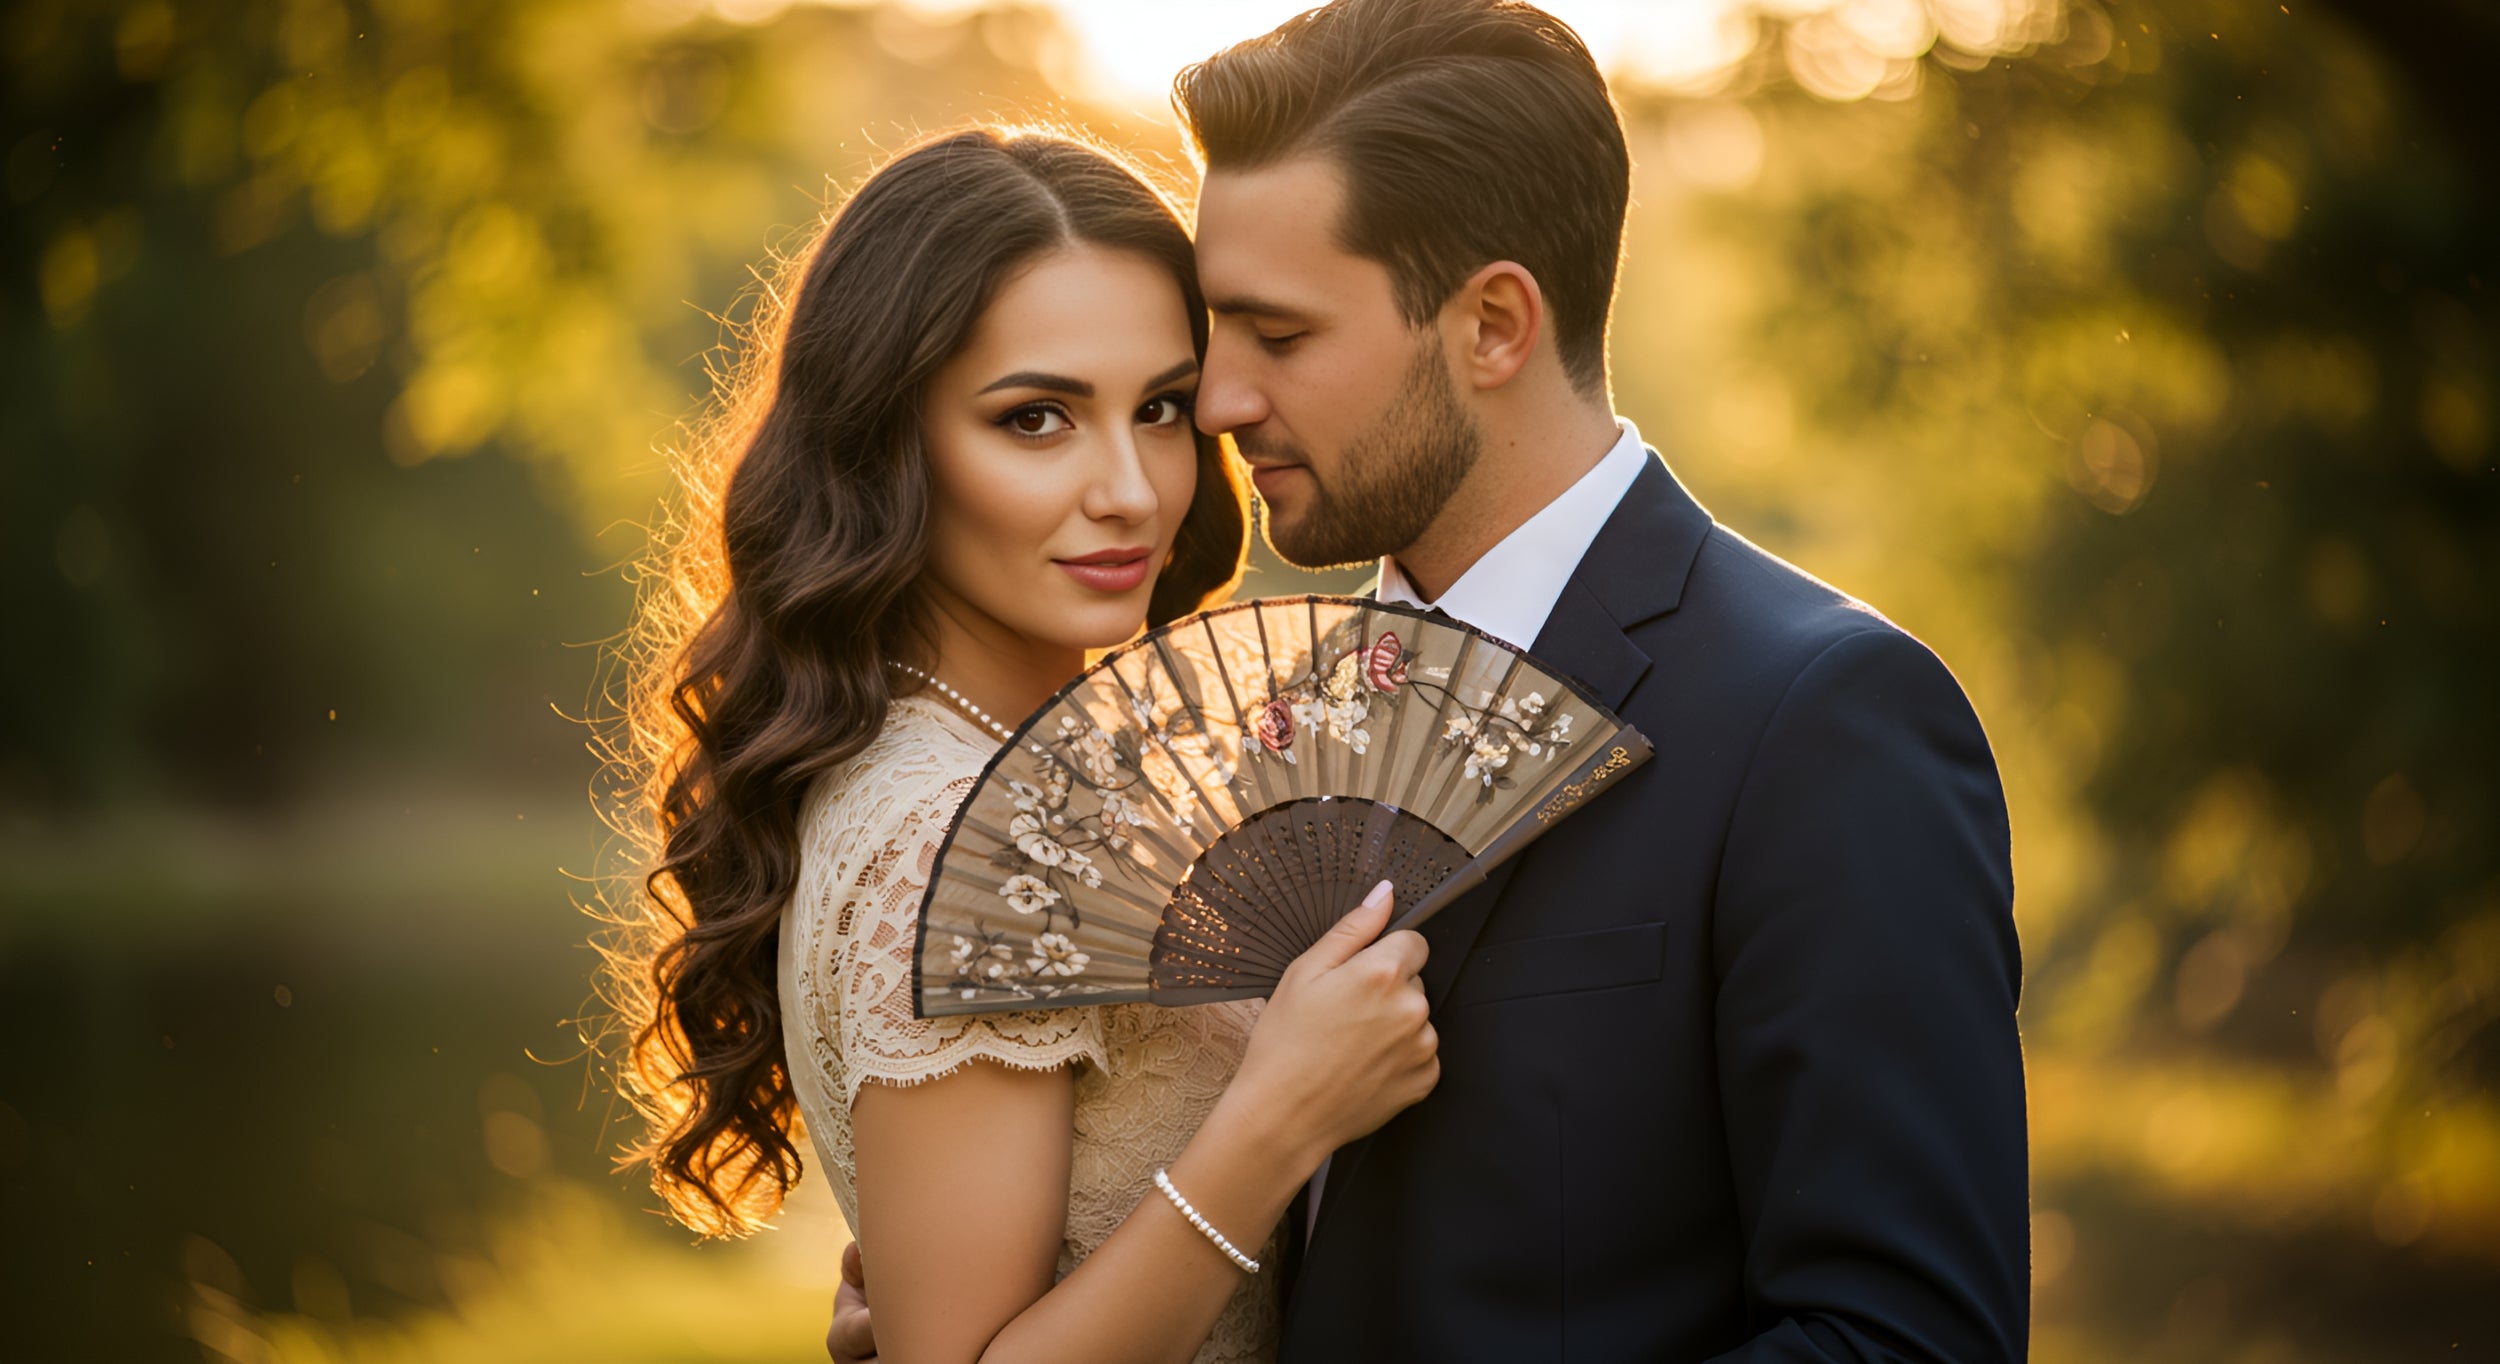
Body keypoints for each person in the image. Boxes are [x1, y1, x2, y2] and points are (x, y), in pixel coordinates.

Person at [834, 0, 2030, 1360]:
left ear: (1495, 326)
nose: (1215, 403)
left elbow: (1907, 1343)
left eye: (1276, 336)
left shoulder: (1821, 720)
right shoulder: (1283, 722)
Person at [611, 127, 1441, 1364]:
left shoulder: (996, 775)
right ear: (888, 446)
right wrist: (1278, 1117)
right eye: (1037, 418)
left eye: (1161, 407)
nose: (1130, 488)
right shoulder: (957, 831)